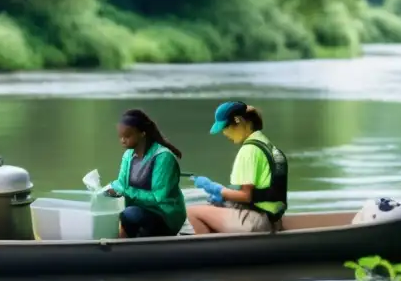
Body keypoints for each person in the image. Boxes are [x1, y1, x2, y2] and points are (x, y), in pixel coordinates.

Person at [186, 101, 288, 234]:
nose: (224, 133)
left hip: (257, 223)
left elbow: (245, 196)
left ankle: (207, 252)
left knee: (191, 211)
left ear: (239, 121)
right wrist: (224, 198)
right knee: (214, 207)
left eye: (225, 127)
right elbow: (257, 194)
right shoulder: (265, 144)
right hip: (273, 220)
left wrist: (216, 189)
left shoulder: (249, 150)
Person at [105, 109, 187, 238]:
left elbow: (158, 197)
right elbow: (121, 184)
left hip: (164, 215)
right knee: (120, 212)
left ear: (142, 133)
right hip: (137, 211)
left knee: (130, 213)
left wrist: (126, 191)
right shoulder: (128, 155)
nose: (122, 140)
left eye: (127, 136)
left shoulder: (163, 157)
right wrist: (107, 191)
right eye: (120, 136)